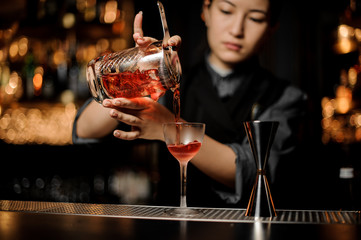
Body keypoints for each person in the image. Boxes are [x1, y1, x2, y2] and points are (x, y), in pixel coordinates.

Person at [73, 0, 306, 208]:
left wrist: (170, 127)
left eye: (255, 18)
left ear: (272, 28)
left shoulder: (285, 98)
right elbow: (84, 131)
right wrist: (137, 71)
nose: (237, 30)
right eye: (226, 10)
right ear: (206, 11)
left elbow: (255, 172)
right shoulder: (170, 82)